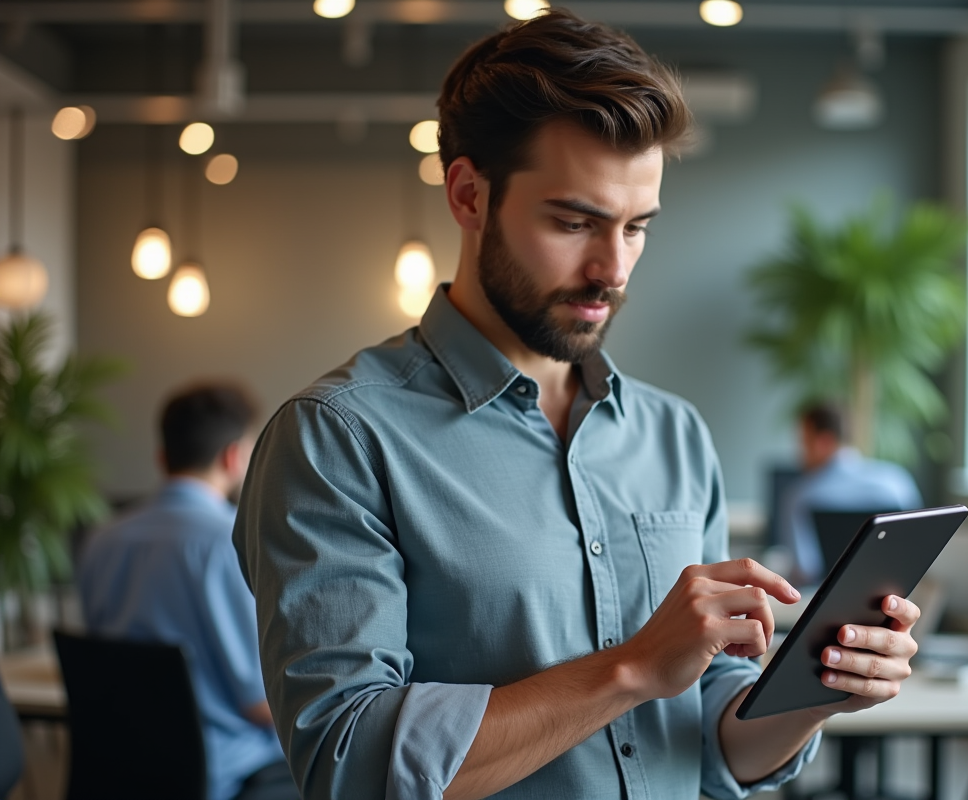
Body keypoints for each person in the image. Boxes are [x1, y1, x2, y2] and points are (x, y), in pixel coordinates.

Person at [233, 12, 923, 800]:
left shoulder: (674, 436)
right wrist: (629, 670)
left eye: (636, 228)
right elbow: (347, 764)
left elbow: (704, 742)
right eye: (573, 222)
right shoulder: (336, 438)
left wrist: (812, 693)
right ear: (468, 195)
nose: (612, 269)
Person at [78, 383, 298, 800]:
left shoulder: (101, 538)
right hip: (221, 773)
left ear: (163, 456)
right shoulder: (230, 542)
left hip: (118, 762)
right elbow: (258, 703)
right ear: (233, 457)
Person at [782, 401, 923, 584]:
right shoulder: (897, 481)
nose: (799, 453)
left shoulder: (800, 496)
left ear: (823, 442)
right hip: (893, 596)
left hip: (826, 601)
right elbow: (916, 550)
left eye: (804, 442)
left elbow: (805, 570)